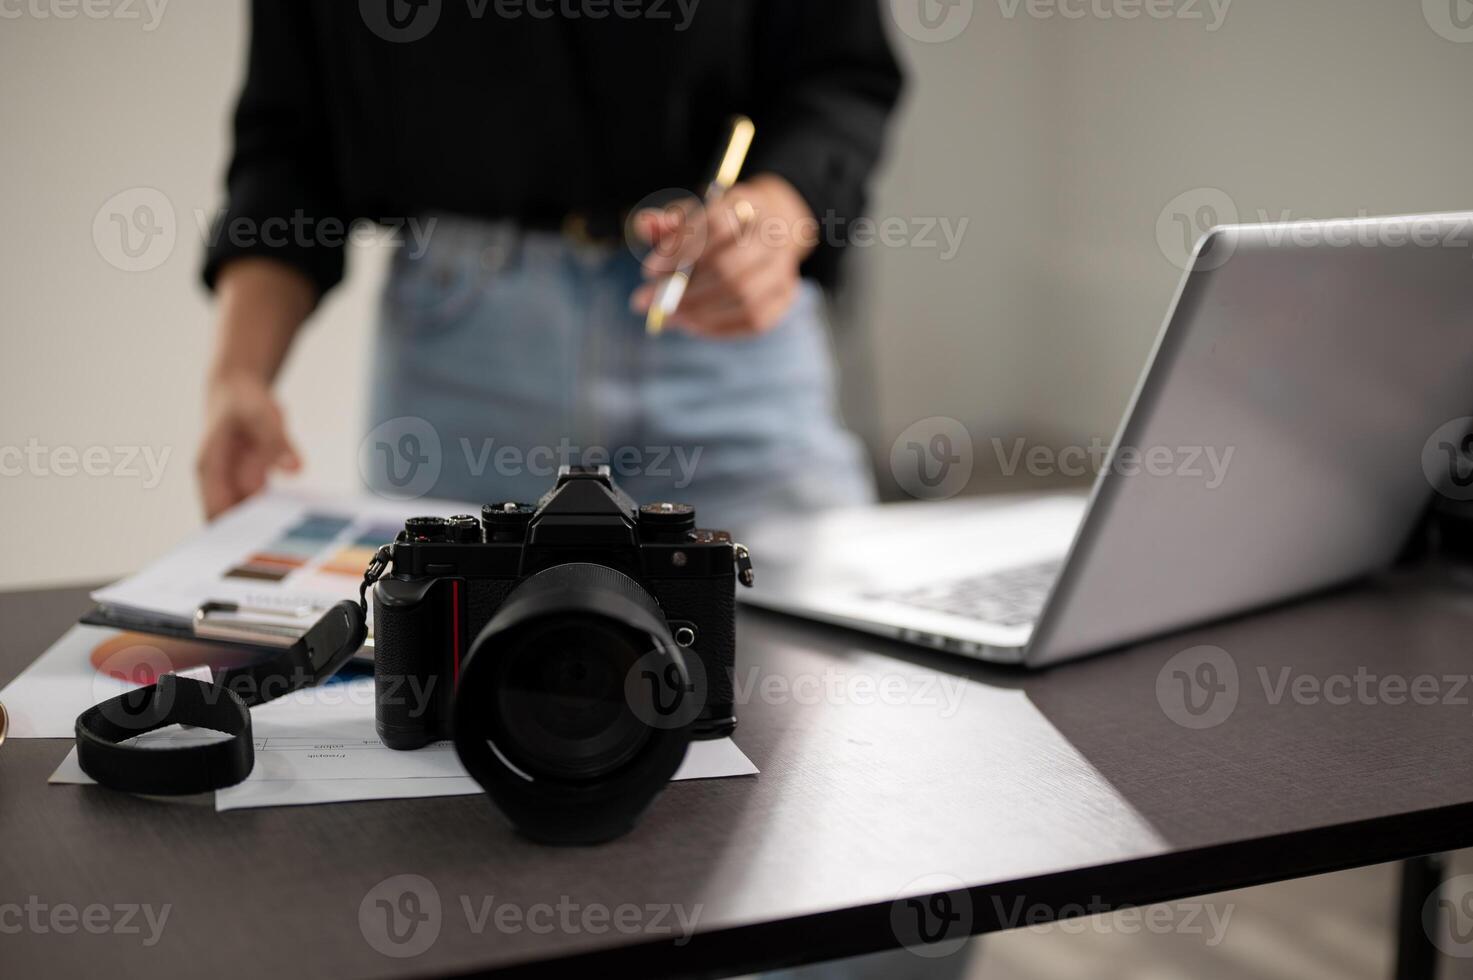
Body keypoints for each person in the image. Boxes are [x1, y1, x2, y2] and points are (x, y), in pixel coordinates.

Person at [197, 1, 902, 532]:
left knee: (811, 686)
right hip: (461, 365)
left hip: (718, 324)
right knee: (451, 684)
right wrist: (239, 374)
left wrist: (778, 213)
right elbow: (288, 144)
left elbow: (840, 71)